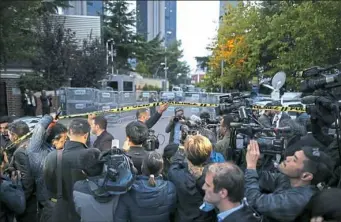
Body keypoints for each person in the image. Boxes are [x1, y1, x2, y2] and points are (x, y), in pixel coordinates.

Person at [244, 140, 334, 222]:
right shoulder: (289, 179)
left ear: (306, 176)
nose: (288, 158)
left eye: (294, 160)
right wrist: (257, 162)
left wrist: (251, 166)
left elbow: (254, 201)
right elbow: (263, 179)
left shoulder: (297, 201)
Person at [44, 118, 90, 222]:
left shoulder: (52, 156)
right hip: (83, 212)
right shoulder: (92, 156)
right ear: (86, 135)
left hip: (59, 211)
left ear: (68, 134)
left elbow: (48, 184)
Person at [114, 151, 176, 222]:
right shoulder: (170, 188)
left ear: (142, 167)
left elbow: (120, 218)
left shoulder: (129, 190)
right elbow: (172, 212)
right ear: (161, 170)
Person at [26, 115, 67, 221]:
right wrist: (50, 117)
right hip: (48, 201)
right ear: (53, 140)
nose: (64, 144)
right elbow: (40, 127)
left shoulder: (50, 149)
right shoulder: (36, 151)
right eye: (63, 141)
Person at [168, 135, 216, 222]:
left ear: (188, 156)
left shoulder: (176, 175)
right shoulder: (214, 175)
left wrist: (181, 149)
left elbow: (174, 164)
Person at [73, 148, 118, 222]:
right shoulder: (119, 186)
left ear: (83, 172)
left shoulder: (78, 188)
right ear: (104, 166)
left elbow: (78, 211)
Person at [8, 121, 36, 222]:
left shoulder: (20, 152)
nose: (9, 137)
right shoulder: (32, 144)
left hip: (29, 201)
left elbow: (27, 179)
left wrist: (22, 200)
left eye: (9, 134)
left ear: (14, 136)